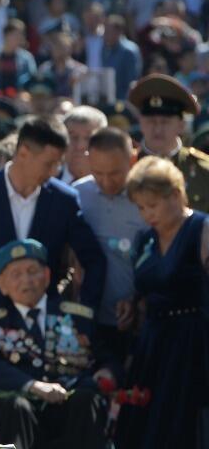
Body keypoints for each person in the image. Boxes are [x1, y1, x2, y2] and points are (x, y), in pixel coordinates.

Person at [0, 117, 107, 369]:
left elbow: (94, 260)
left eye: (58, 164)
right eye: (49, 163)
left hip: (45, 338)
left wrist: (81, 315)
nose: (54, 171)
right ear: (23, 153)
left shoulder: (64, 200)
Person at [0, 239, 114, 449]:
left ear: (47, 275)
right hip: (22, 418)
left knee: (87, 399)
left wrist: (106, 372)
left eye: (32, 271)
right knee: (16, 404)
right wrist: (32, 385)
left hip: (69, 411)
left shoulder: (78, 317)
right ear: (1, 284)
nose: (27, 280)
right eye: (16, 274)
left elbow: (105, 358)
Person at [114, 157, 209, 449]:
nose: (146, 215)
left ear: (176, 194)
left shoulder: (202, 229)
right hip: (153, 345)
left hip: (193, 345)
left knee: (188, 434)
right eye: (140, 208)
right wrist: (131, 307)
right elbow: (144, 287)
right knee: (145, 435)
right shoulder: (145, 239)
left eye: (152, 205)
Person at [74, 127, 145, 364]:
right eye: (98, 173)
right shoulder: (78, 195)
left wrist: (138, 299)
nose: (106, 182)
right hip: (89, 320)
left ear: (133, 158)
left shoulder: (148, 199)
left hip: (141, 318)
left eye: (115, 173)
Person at [128, 74, 209, 212]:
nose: (158, 129)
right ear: (140, 122)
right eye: (151, 122)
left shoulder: (203, 170)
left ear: (181, 125)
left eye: (165, 122)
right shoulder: (126, 166)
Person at [61, 104, 107, 183]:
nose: (80, 146)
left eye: (89, 138)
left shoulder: (111, 182)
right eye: (73, 137)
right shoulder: (46, 179)